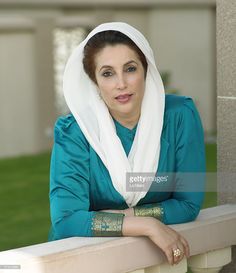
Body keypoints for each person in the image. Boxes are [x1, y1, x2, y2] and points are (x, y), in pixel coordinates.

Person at [48, 22, 206, 266]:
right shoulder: (74, 131)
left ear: (146, 70)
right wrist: (147, 225)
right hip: (81, 262)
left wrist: (122, 216)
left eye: (130, 69)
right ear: (94, 81)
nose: (121, 83)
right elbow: (66, 219)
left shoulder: (179, 115)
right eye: (107, 73)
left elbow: (188, 202)